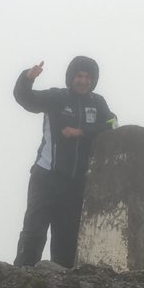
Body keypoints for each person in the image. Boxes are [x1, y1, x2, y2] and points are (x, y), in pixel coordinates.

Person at [13, 56, 116, 268]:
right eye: (79, 75)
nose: (83, 80)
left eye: (88, 77)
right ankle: (20, 279)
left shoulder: (98, 103)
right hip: (46, 176)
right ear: (71, 77)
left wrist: (82, 132)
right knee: (34, 232)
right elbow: (25, 98)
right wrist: (27, 78)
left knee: (67, 240)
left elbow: (112, 124)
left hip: (76, 183)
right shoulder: (56, 97)